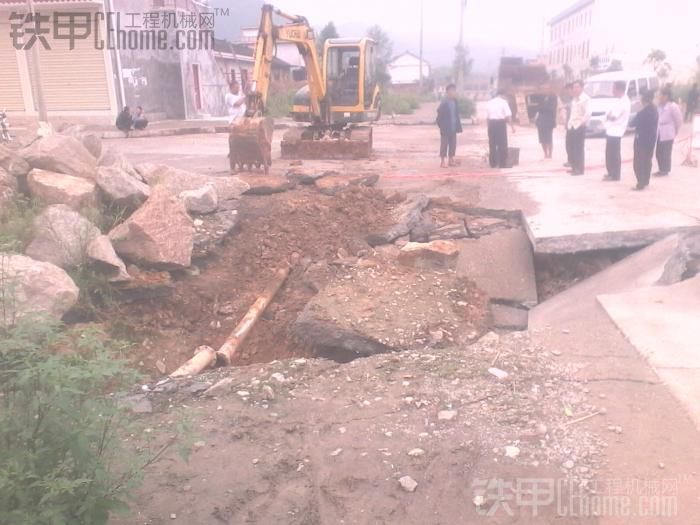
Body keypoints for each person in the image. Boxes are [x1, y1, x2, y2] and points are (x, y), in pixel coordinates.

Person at [629, 89, 659, 190]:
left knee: (639, 162)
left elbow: (633, 123)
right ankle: (645, 180)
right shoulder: (654, 109)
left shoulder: (643, 111)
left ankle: (640, 183)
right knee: (647, 160)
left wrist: (638, 110)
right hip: (651, 139)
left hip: (641, 139)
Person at [602, 80, 631, 182]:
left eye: (613, 88)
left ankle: (615, 175)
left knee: (613, 154)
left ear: (618, 89)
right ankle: (611, 172)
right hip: (612, 130)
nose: (612, 90)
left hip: (616, 130)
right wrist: (608, 115)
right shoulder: (619, 100)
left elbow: (613, 116)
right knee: (609, 153)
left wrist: (608, 116)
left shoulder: (624, 101)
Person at [655, 87, 683, 177]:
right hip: (659, 131)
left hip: (668, 131)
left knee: (666, 152)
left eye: (661, 95)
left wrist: (676, 130)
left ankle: (665, 169)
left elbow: (678, 120)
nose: (659, 97)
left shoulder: (672, 106)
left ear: (666, 96)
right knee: (658, 151)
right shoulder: (659, 105)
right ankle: (661, 168)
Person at [486, 89, 516, 168]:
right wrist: (512, 127)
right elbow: (508, 116)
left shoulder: (489, 102)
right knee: (502, 144)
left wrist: (488, 127)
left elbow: (487, 118)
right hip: (500, 124)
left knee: (492, 144)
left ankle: (493, 163)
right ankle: (502, 163)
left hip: (492, 124)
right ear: (502, 95)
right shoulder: (503, 102)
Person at [567, 80, 591, 175]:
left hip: (579, 126)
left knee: (578, 148)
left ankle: (579, 169)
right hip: (572, 125)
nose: (575, 89)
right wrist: (569, 123)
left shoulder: (586, 99)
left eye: (577, 87)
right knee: (571, 147)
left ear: (582, 87)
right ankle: (574, 166)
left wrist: (582, 123)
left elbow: (588, 113)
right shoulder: (574, 99)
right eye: (574, 87)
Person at [436, 83, 462, 167]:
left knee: (453, 144)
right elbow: (439, 116)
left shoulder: (455, 102)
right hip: (445, 128)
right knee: (444, 145)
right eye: (452, 91)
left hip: (453, 127)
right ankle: (442, 161)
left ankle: (451, 160)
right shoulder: (444, 103)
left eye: (454, 90)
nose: (454, 92)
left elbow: (456, 114)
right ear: (447, 92)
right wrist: (441, 126)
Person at [535, 87, 558, 159]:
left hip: (549, 121)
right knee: (542, 139)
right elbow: (538, 108)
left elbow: (551, 109)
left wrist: (543, 107)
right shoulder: (541, 98)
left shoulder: (553, 98)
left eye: (546, 89)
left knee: (549, 138)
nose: (545, 90)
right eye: (544, 89)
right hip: (541, 120)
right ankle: (545, 153)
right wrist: (543, 107)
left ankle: (550, 154)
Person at [560, 83, 574, 167]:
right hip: (569, 124)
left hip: (574, 124)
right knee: (568, 144)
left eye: (568, 89)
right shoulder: (569, 98)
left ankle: (573, 161)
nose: (568, 91)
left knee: (572, 144)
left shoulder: (575, 99)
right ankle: (570, 160)